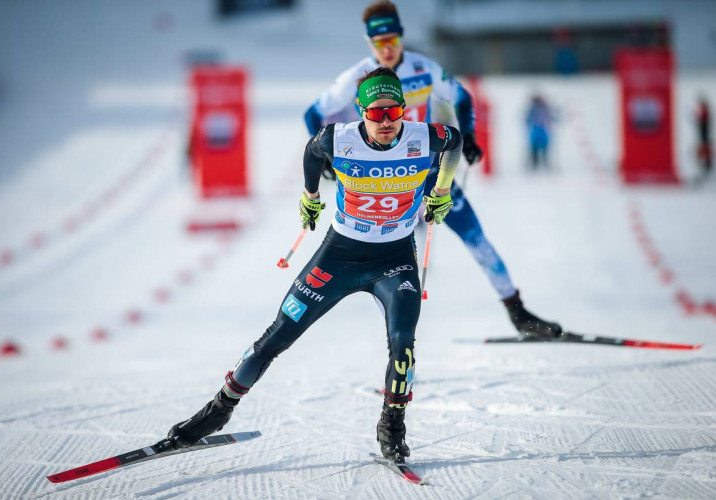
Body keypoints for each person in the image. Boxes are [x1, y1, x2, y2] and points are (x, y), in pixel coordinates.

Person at [163, 67, 463, 464]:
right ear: (361, 112)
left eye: (394, 112)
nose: (387, 122)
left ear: (405, 110)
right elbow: (311, 150)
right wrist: (309, 195)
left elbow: (455, 142)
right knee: (278, 335)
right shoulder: (337, 140)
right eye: (376, 114)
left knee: (403, 342)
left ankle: (392, 426)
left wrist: (441, 189)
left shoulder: (425, 136)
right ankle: (217, 411)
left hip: (394, 261)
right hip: (338, 256)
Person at [304, 0, 562, 339]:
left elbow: (462, 97)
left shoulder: (422, 69)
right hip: (382, 185)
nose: (388, 48)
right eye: (379, 42)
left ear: (401, 36)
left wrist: (467, 136)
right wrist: (327, 160)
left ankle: (517, 312)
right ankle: (397, 350)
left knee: (477, 240)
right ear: (370, 43)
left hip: (428, 174)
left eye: (393, 39)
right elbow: (314, 115)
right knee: (392, 270)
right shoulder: (356, 78)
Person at [526, 93, 553, 170]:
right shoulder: (532, 108)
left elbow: (551, 117)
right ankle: (535, 164)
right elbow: (527, 118)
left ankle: (544, 162)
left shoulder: (545, 108)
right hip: (536, 129)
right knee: (534, 148)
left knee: (544, 147)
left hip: (543, 129)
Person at [696, 96, 713, 181]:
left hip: (704, 138)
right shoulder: (704, 113)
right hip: (703, 138)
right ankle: (705, 165)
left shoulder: (705, 113)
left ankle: (707, 166)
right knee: (703, 149)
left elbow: (703, 122)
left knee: (705, 150)